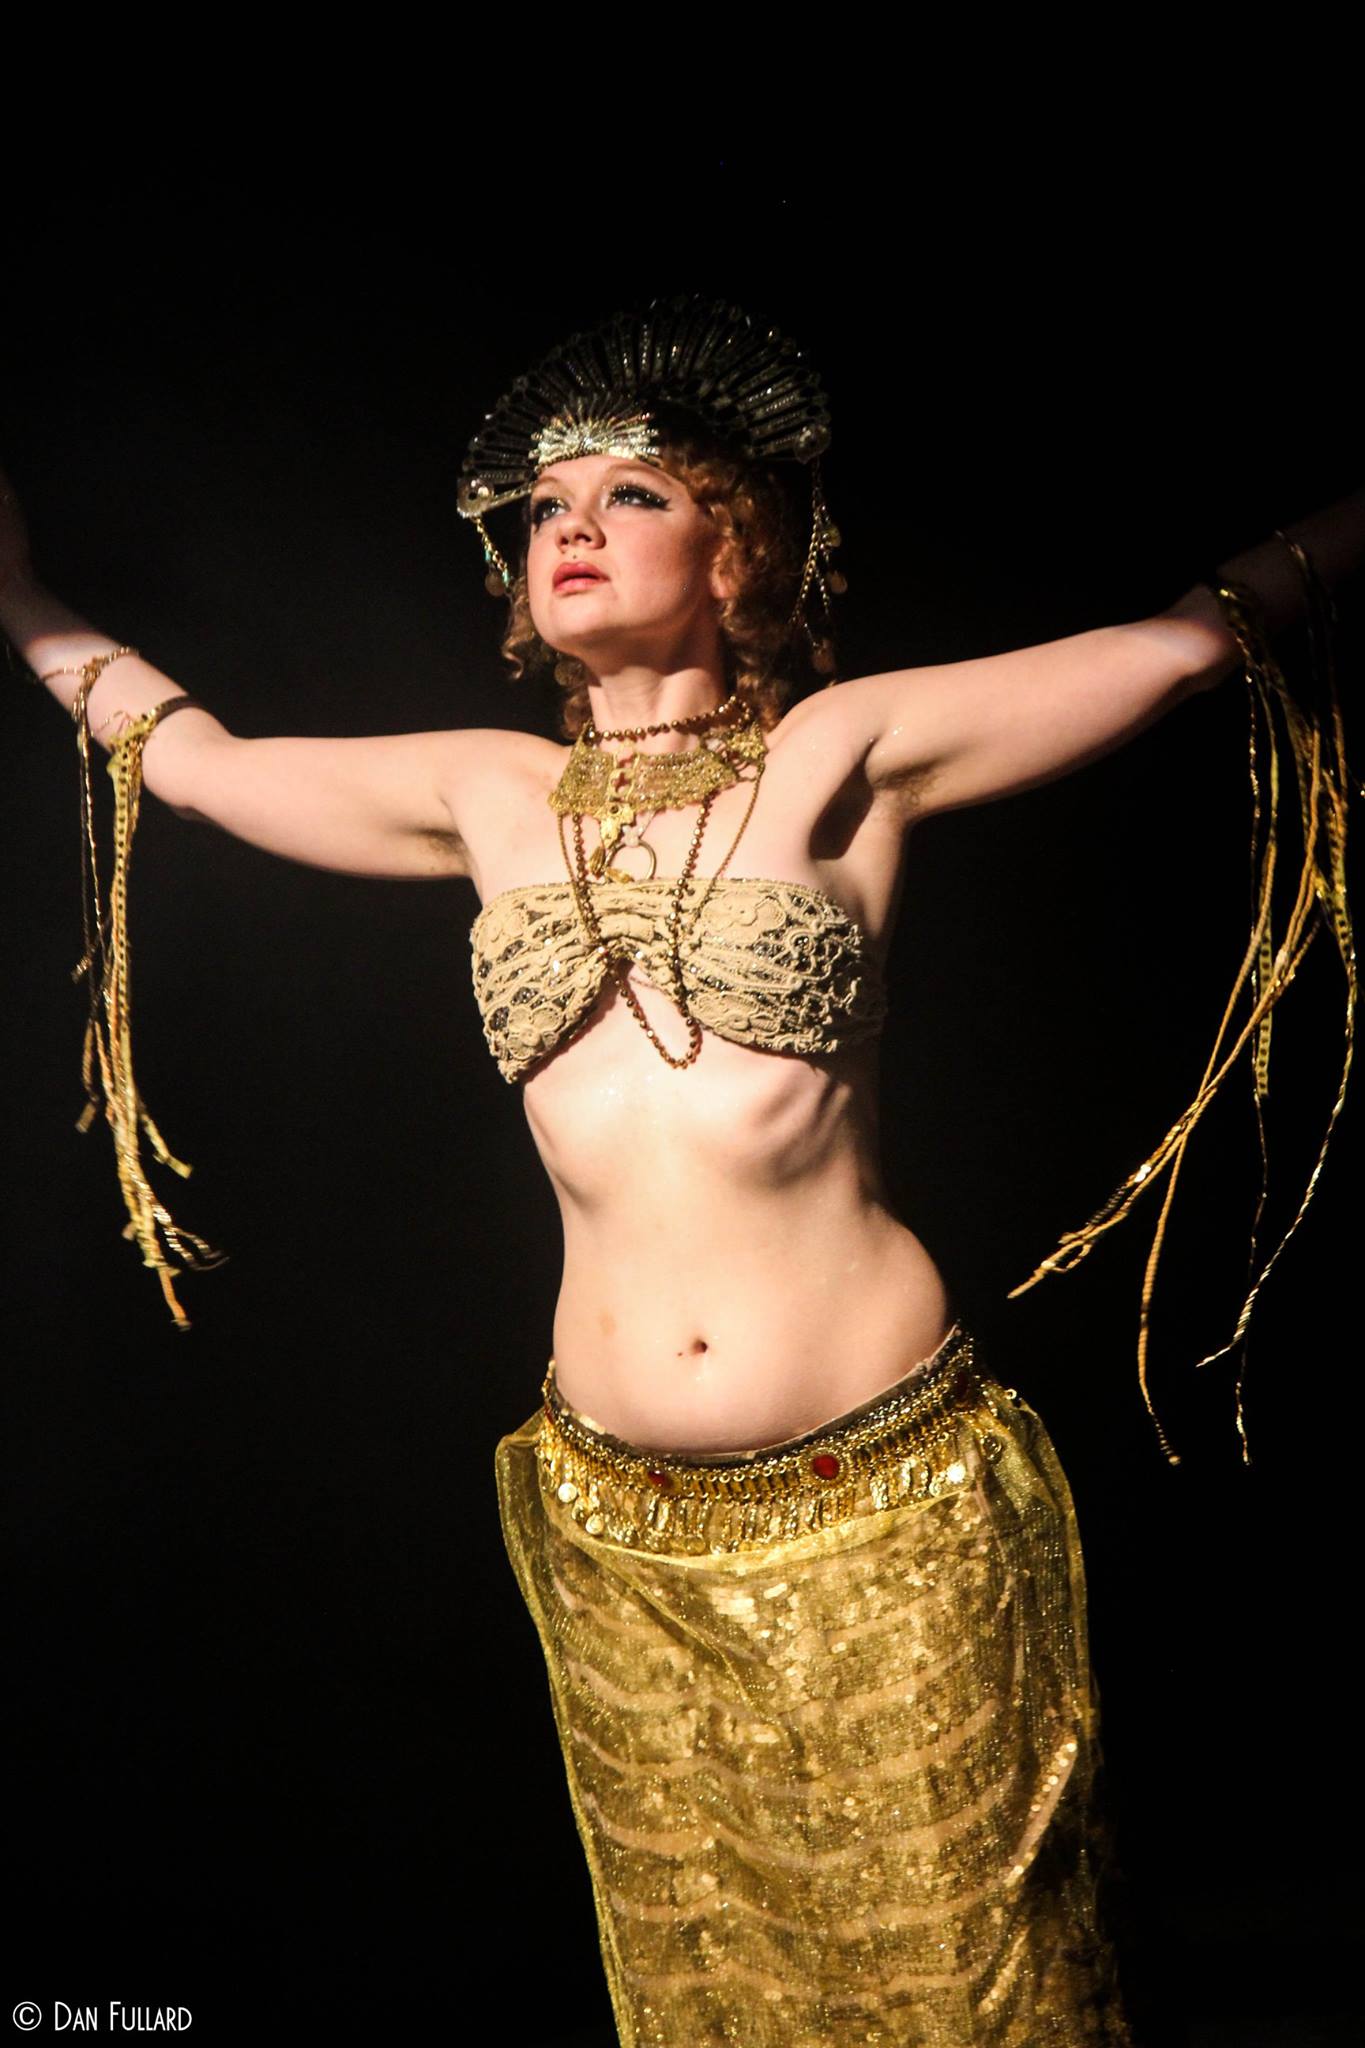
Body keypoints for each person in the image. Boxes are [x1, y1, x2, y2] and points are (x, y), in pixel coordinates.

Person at [2, 295, 1360, 2048]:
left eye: (629, 496)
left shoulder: (840, 755)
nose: (569, 526)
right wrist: (20, 598)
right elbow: (199, 768)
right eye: (543, 508)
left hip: (887, 1503)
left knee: (966, 1986)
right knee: (711, 1999)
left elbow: (1178, 648)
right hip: (613, 1527)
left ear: (737, 551)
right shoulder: (488, 794)